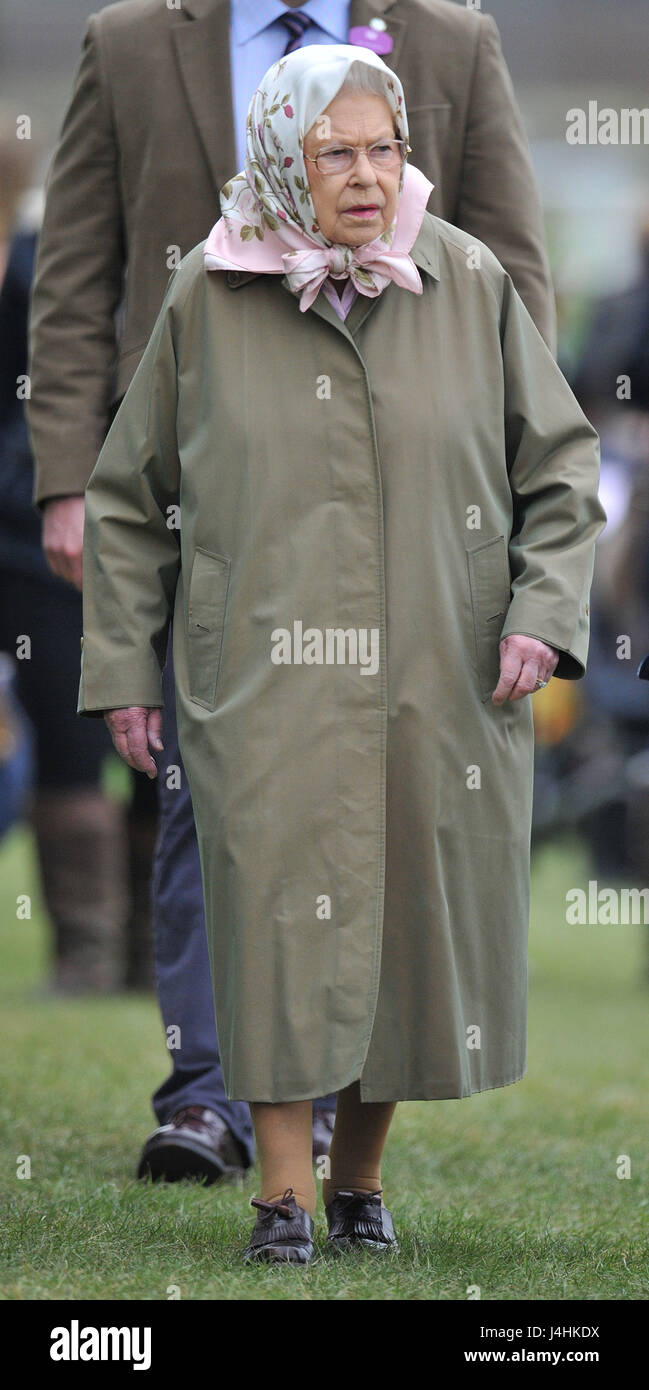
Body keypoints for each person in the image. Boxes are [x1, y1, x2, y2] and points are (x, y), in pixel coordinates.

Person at [77, 42, 605, 1262]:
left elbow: (562, 462)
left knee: (405, 932)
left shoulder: (464, 276)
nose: (366, 176)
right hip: (258, 673)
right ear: (279, 158)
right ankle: (279, 1196)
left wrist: (541, 611)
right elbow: (123, 493)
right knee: (272, 921)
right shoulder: (208, 291)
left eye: (385, 149)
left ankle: (358, 1181)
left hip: (443, 662)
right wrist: (120, 668)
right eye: (335, 154)